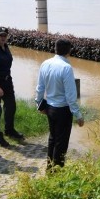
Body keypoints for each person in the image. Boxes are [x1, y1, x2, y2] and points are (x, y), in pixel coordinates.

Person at [35, 38, 84, 169]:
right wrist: (78, 115)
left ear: (55, 49)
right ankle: (57, 172)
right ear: (69, 51)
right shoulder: (66, 68)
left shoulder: (45, 63)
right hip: (63, 110)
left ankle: (50, 168)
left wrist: (39, 105)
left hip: (50, 108)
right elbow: (70, 96)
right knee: (61, 143)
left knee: (52, 139)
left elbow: (40, 87)